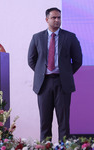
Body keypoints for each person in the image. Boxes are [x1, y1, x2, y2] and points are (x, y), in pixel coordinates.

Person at [28, 7, 82, 141]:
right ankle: (45, 146)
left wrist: (66, 73)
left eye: (59, 17)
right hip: (43, 83)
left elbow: (78, 60)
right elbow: (31, 59)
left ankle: (64, 146)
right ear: (47, 19)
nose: (57, 20)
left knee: (63, 121)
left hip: (62, 83)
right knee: (45, 121)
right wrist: (42, 72)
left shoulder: (70, 37)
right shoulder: (37, 37)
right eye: (54, 18)